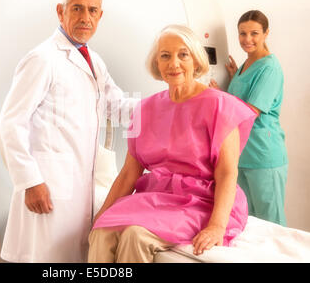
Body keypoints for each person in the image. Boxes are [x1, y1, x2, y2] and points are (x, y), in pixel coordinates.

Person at [88, 24, 257, 263]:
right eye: (165, 56)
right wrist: (102, 213)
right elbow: (128, 173)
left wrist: (217, 226)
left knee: (136, 236)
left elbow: (228, 172)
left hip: (201, 201)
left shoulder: (220, 106)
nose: (173, 63)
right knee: (103, 231)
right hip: (158, 197)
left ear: (196, 60)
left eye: (183, 54)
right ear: (157, 63)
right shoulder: (144, 109)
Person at [0, 0, 137, 263]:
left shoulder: (94, 61)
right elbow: (11, 122)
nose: (85, 17)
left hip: (77, 189)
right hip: (48, 187)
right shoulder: (43, 59)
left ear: (100, 16)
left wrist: (172, 104)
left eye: (92, 10)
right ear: (61, 11)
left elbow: (118, 107)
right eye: (77, 9)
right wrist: (30, 181)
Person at [209, 10, 288, 226]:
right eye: (242, 34)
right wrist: (234, 80)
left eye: (254, 33)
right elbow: (241, 99)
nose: (247, 39)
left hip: (264, 156)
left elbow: (249, 111)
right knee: (248, 222)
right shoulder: (245, 65)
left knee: (270, 223)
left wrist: (217, 98)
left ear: (266, 33)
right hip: (241, 154)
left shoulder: (269, 68)